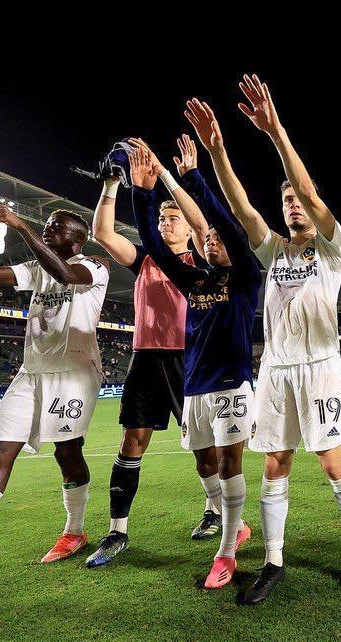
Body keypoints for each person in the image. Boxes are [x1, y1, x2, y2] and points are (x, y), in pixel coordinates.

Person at [182, 76, 341, 602]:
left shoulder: (333, 248)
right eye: (285, 200)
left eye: (298, 200)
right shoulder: (274, 253)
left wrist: (275, 130)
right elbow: (241, 206)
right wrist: (218, 150)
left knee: (333, 462)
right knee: (274, 464)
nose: (292, 205)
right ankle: (272, 560)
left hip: (321, 366)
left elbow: (308, 189)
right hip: (277, 371)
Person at [0, 205, 108, 579]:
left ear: (77, 239)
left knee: (67, 452)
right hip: (31, 372)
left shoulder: (95, 266)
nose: (48, 230)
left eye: (56, 228)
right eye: (46, 226)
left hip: (74, 374)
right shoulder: (34, 269)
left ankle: (74, 531)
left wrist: (18, 223)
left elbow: (64, 273)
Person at [127, 141, 260, 589]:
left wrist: (193, 179)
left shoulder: (245, 277)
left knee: (229, 463)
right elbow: (152, 244)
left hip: (231, 385)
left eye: (218, 238)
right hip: (195, 388)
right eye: (207, 240)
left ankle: (226, 552)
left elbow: (225, 225)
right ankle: (231, 524)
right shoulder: (193, 278)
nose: (211, 240)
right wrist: (142, 194)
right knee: (205, 464)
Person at [85, 146, 218, 569]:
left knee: (201, 446)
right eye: (160, 218)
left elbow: (201, 221)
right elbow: (104, 234)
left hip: (188, 358)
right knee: (132, 442)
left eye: (171, 218)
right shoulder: (144, 259)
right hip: (146, 359)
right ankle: (117, 531)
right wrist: (111, 186)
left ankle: (216, 510)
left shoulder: (199, 259)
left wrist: (169, 181)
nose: (164, 223)